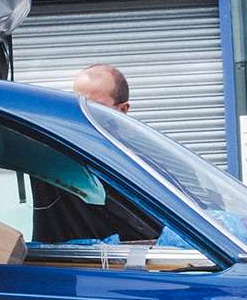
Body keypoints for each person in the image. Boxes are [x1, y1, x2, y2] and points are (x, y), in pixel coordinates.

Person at [33, 63, 157, 243]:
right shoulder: (51, 150)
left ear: (122, 110)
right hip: (56, 265)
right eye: (76, 104)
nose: (82, 115)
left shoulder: (143, 165)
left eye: (94, 107)